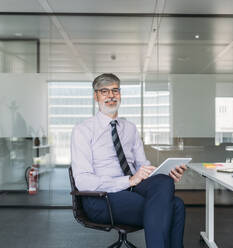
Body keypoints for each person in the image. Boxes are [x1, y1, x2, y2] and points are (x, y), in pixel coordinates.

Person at [71, 73, 187, 248]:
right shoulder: (83, 131)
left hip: (133, 189)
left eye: (115, 90)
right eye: (104, 91)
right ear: (96, 96)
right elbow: (83, 181)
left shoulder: (130, 128)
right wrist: (129, 180)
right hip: (102, 198)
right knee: (175, 206)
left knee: (164, 181)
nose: (111, 96)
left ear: (120, 94)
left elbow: (143, 166)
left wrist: (165, 173)